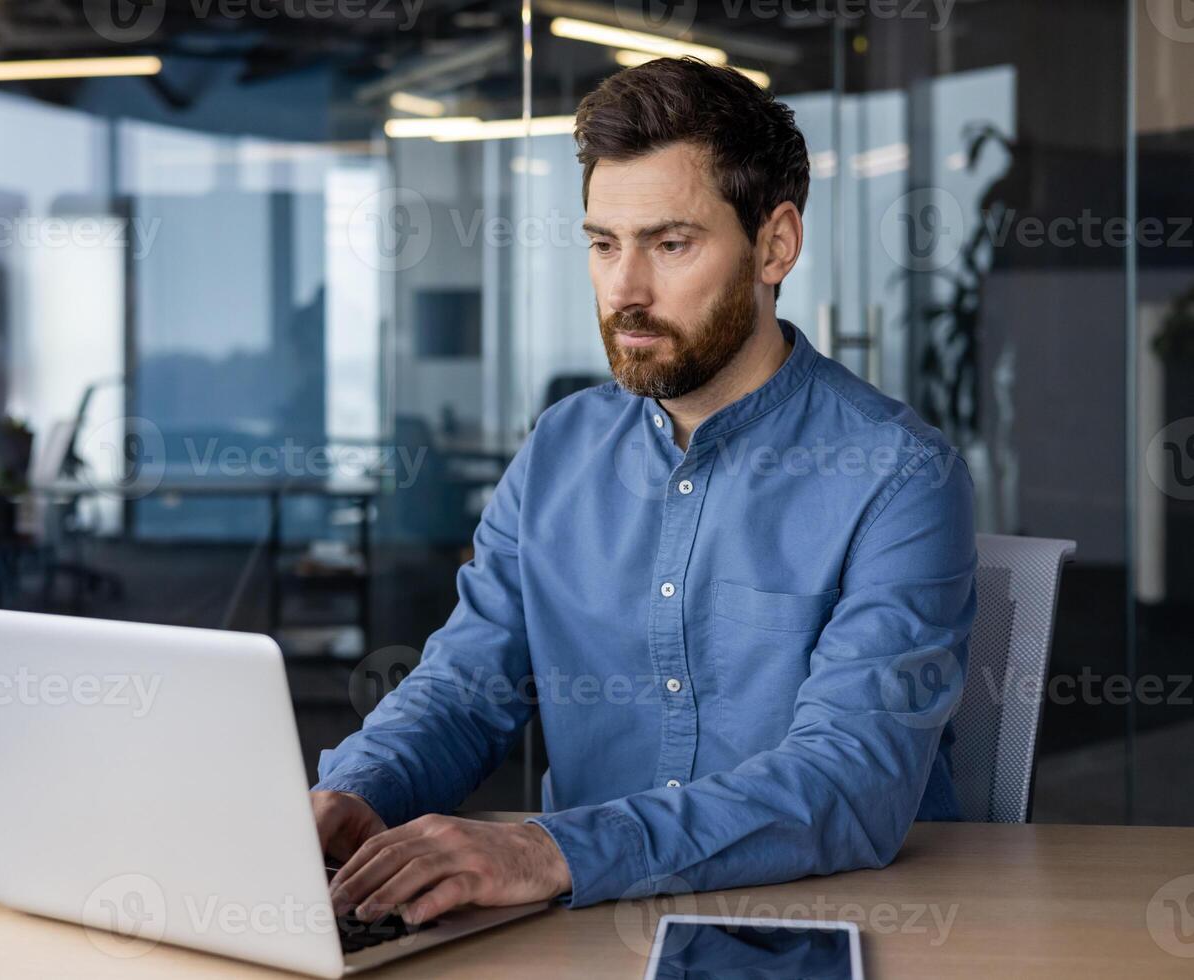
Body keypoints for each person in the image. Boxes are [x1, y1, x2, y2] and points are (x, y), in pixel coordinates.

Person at [315, 56, 977, 928]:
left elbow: (847, 781)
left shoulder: (898, 474)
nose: (624, 291)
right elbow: (465, 688)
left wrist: (549, 850)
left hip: (830, 922)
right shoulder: (559, 449)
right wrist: (358, 793)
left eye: (671, 244)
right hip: (583, 925)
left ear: (774, 245)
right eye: (602, 244)